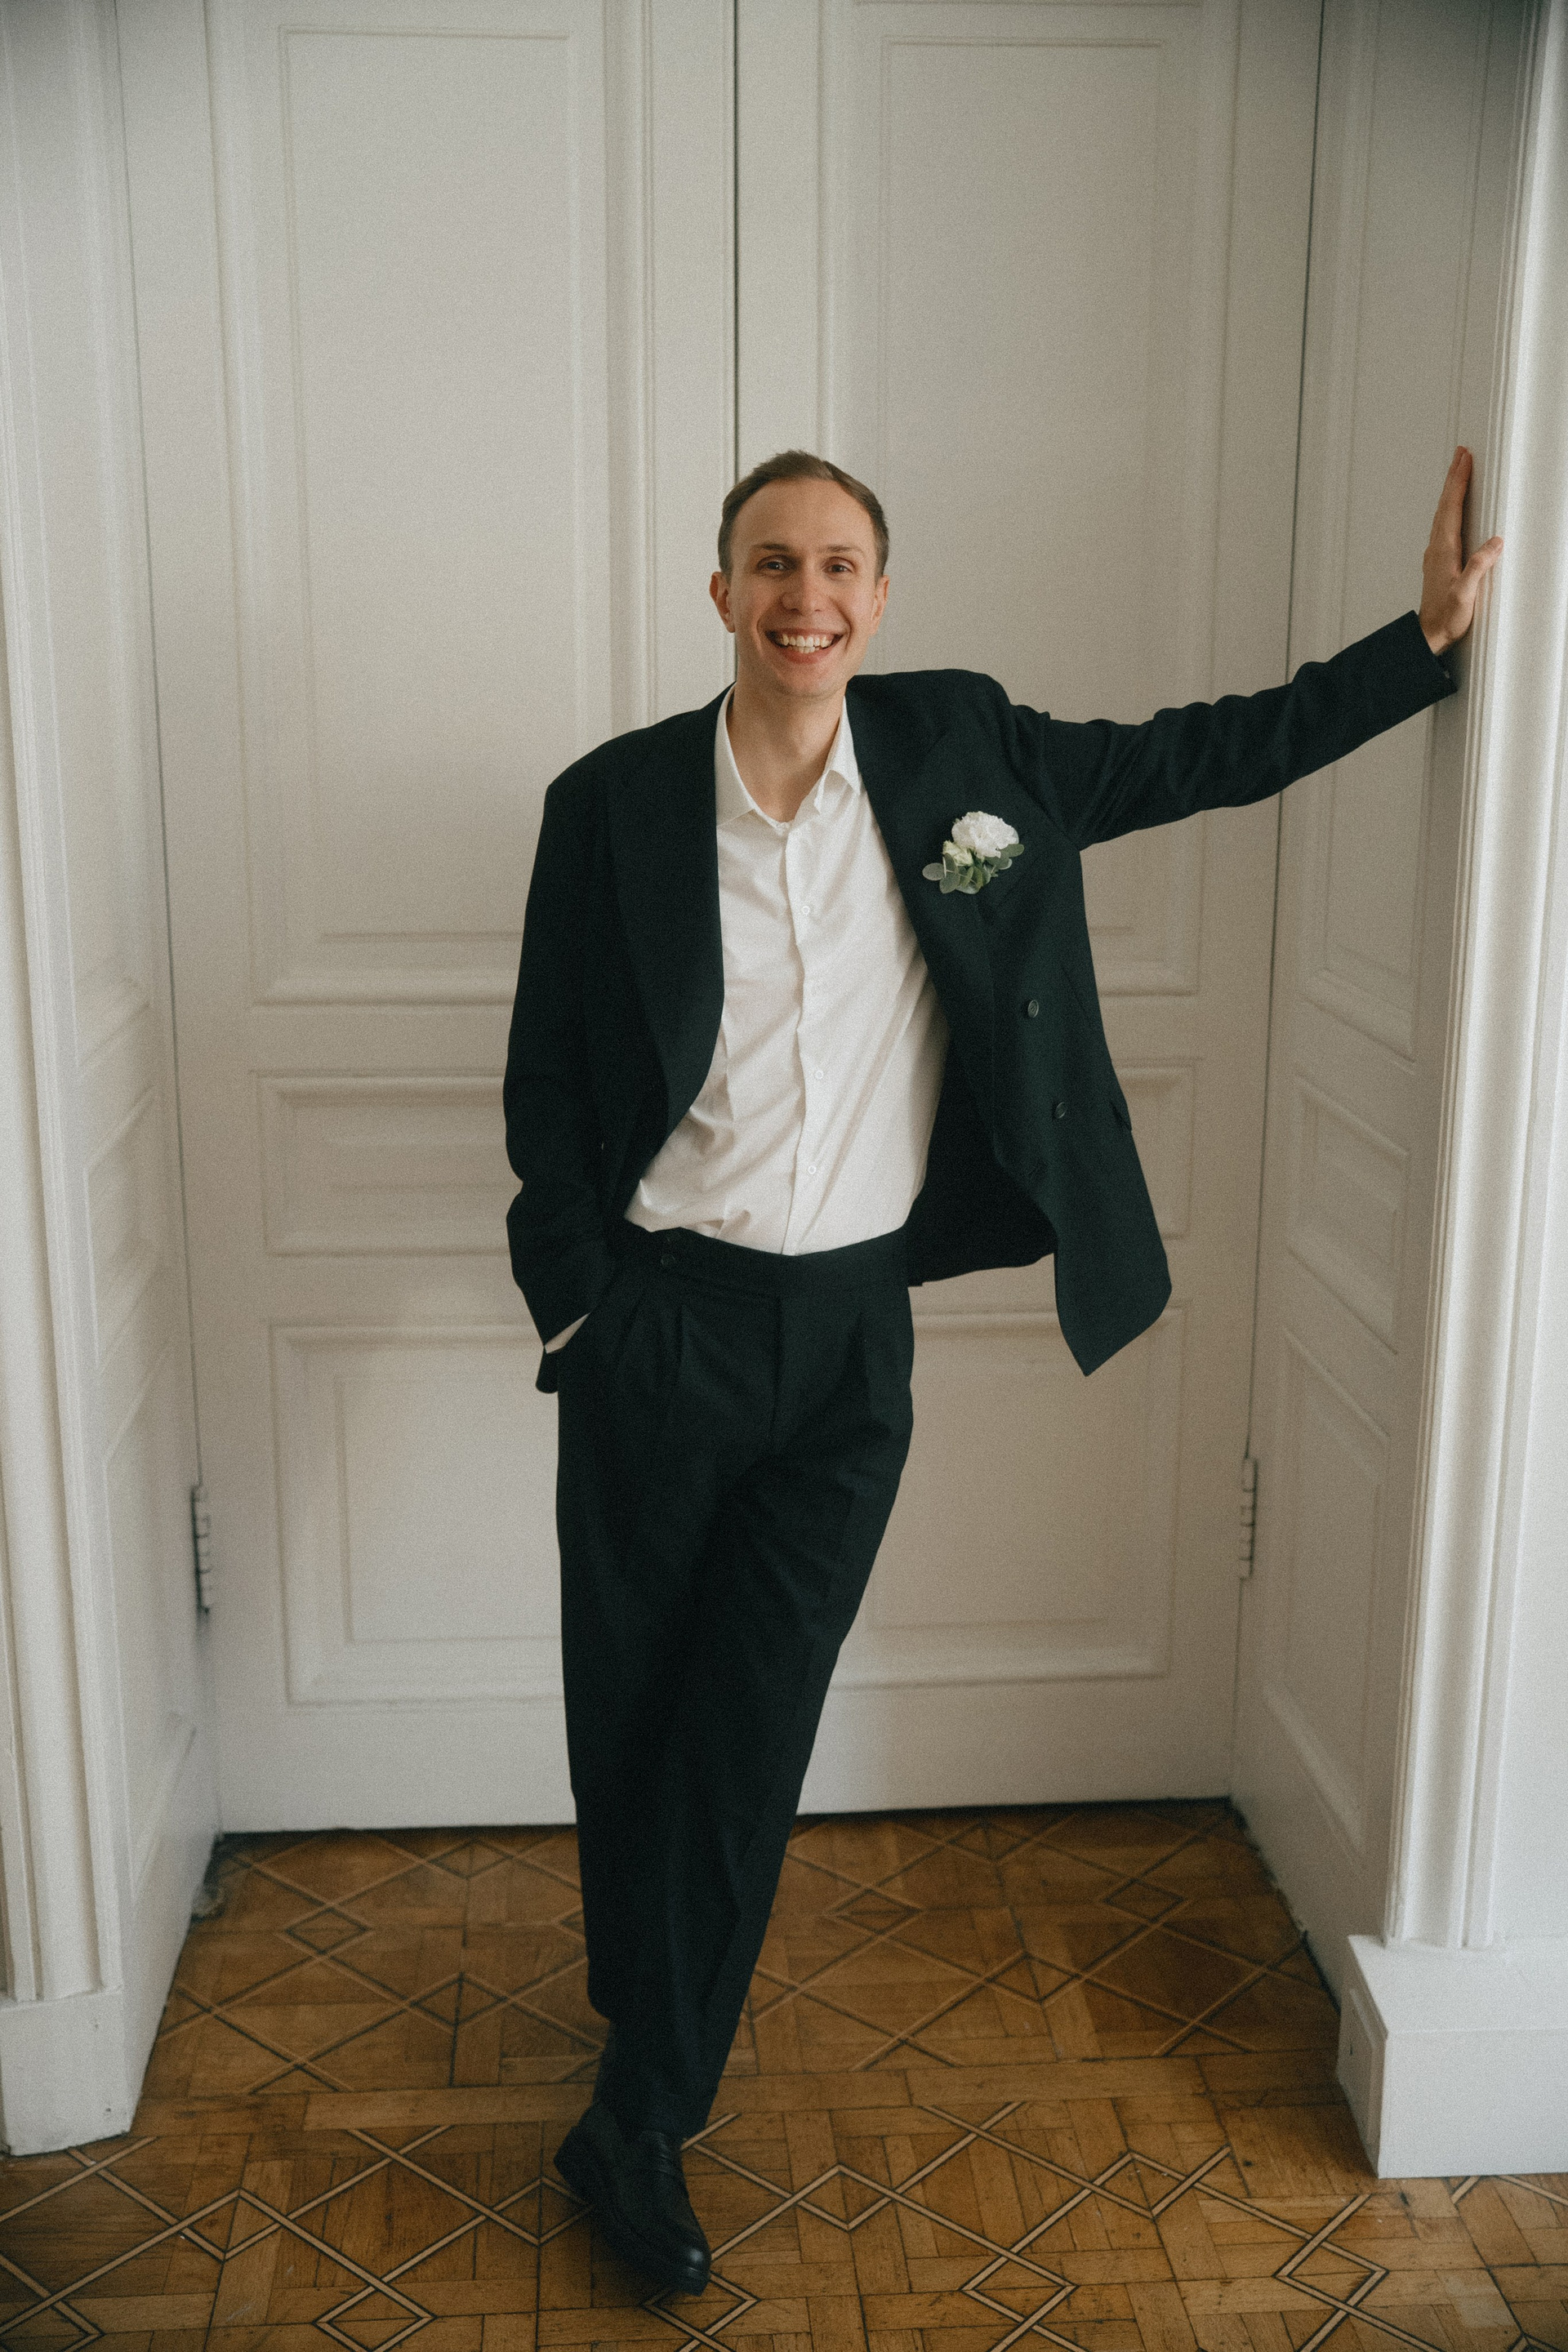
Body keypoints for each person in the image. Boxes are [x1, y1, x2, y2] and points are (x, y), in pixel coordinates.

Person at [502, 445, 1500, 2292]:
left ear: (880, 599)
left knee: (751, 1729)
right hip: (663, 1328)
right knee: (634, 1714)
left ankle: (640, 2116)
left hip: (848, 1348)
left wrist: (1419, 647)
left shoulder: (964, 751)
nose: (807, 595)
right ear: (719, 593)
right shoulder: (613, 803)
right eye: (773, 562)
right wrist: (583, 1312)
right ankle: (642, 2016)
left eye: (841, 565)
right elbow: (547, 1083)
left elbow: (1204, 754)